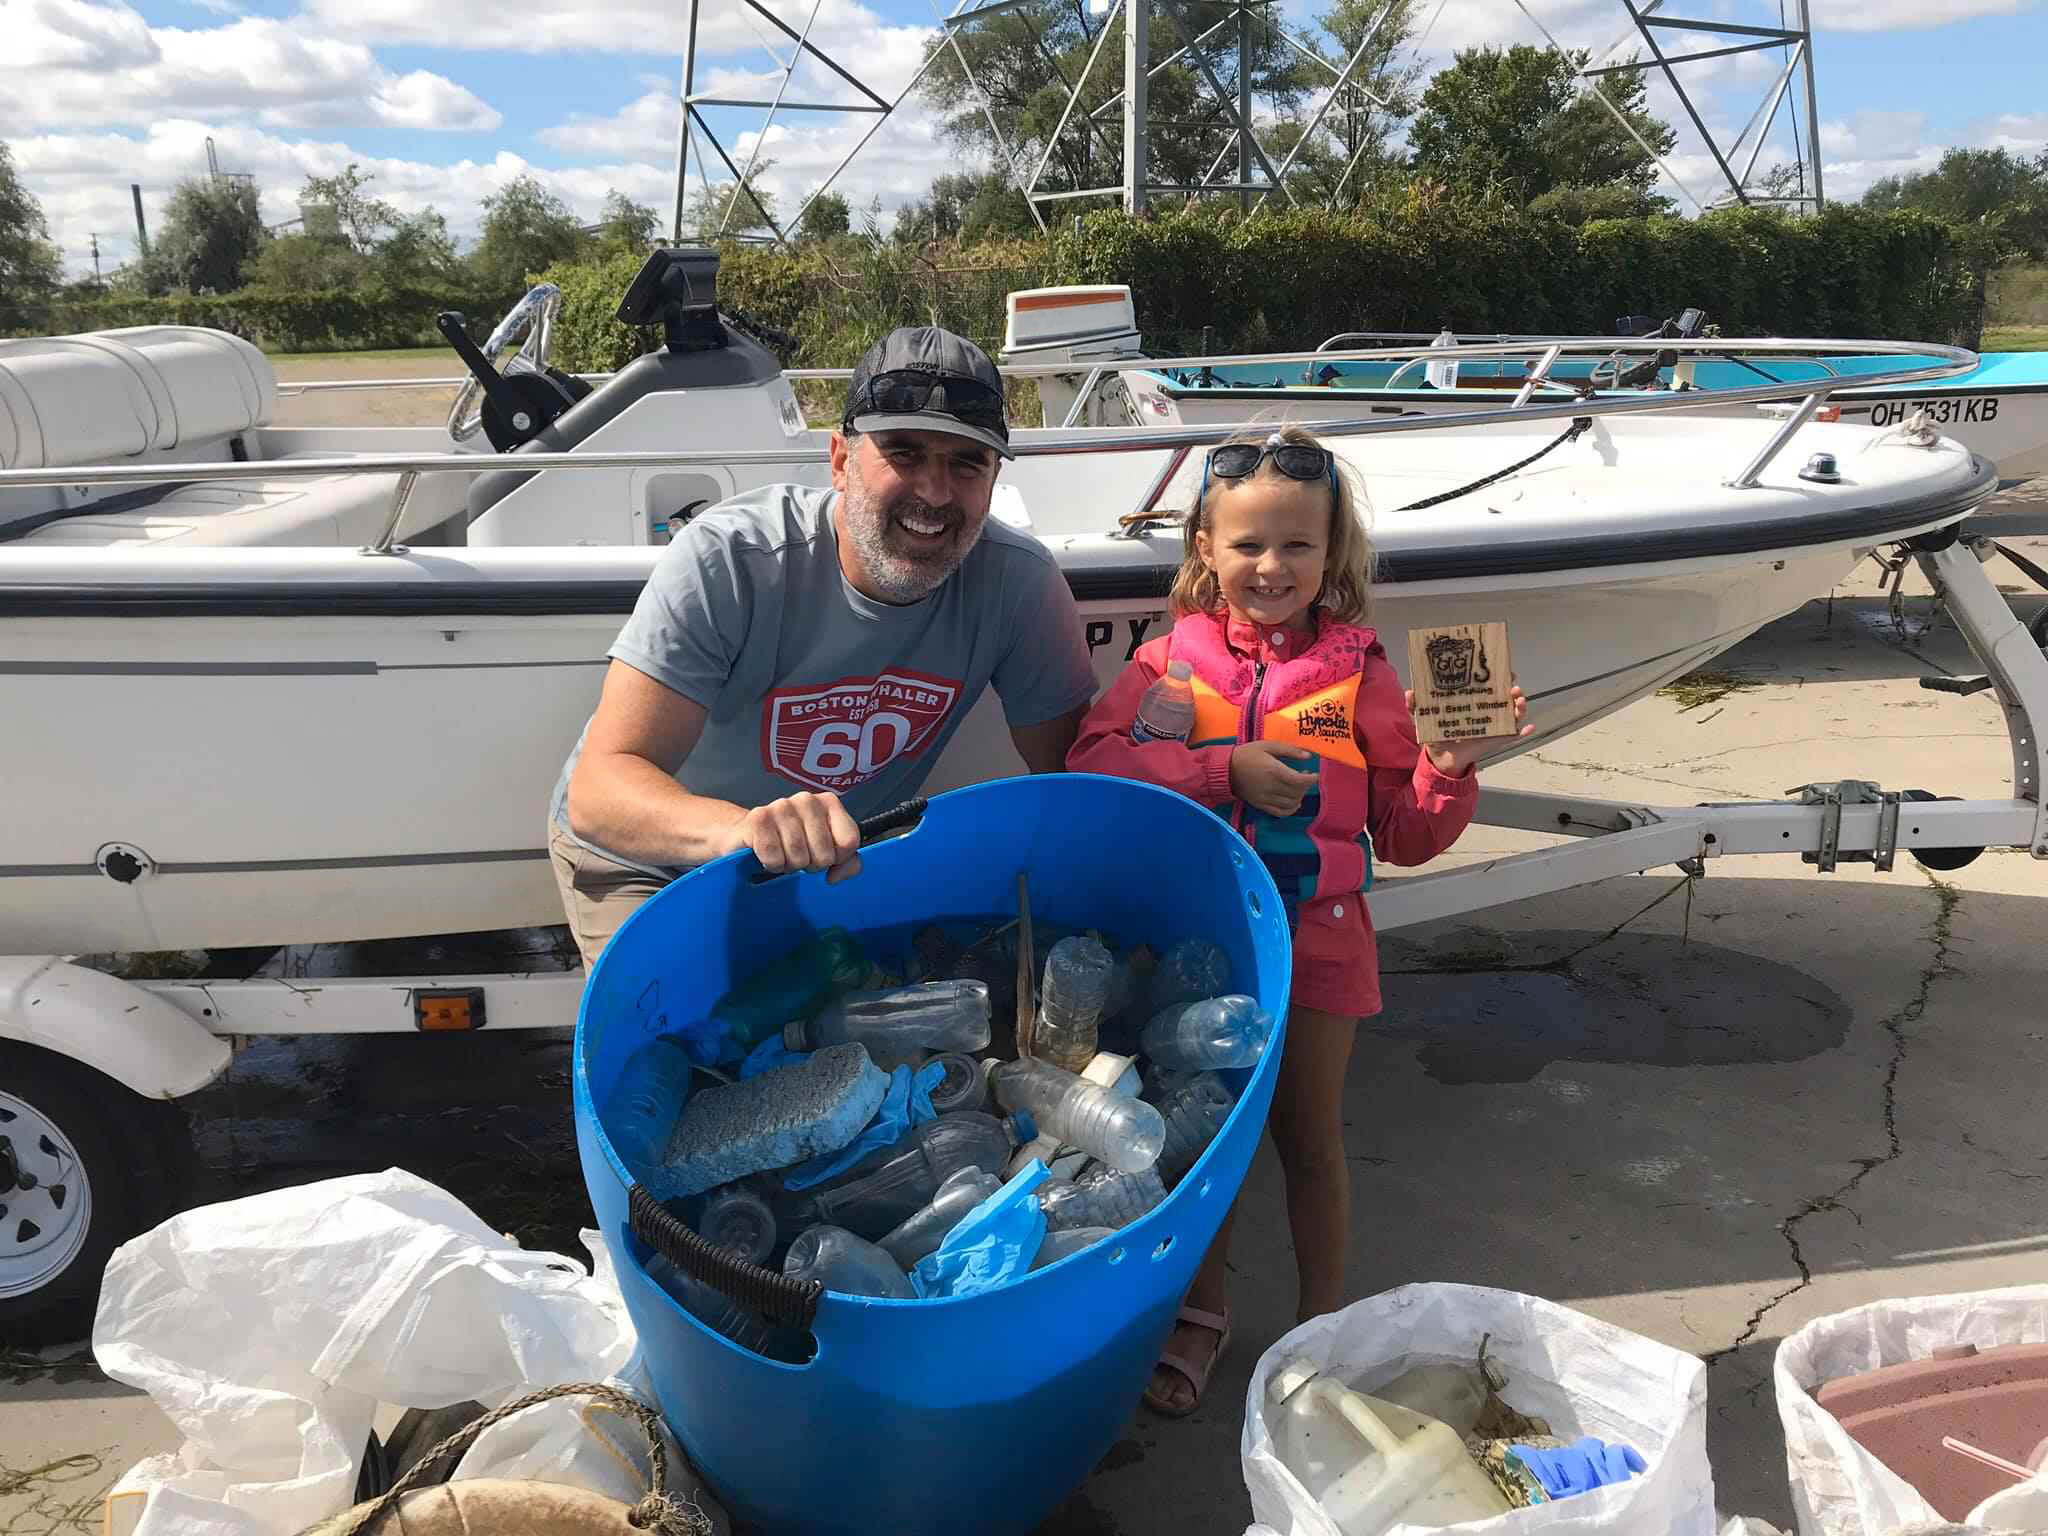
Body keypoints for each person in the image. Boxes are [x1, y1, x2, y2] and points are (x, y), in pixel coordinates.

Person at [1067, 422, 1530, 1417]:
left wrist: (1450, 768)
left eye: (1295, 545)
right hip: (1199, 947)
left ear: (1332, 553)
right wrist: (1214, 767)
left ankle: (1325, 1329)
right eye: (1245, 544)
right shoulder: (1162, 665)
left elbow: (1403, 832)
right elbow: (1089, 769)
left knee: (1308, 1141)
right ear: (1205, 549)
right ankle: (1200, 1314)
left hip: (1317, 944)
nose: (1269, 566)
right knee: (1207, 1140)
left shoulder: (1363, 677)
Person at [548, 325, 1097, 967]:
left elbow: (1073, 776)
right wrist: (740, 830)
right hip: (648, 861)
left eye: (966, 462)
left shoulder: (1018, 582)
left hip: (836, 863)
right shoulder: (731, 559)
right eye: (904, 453)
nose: (935, 492)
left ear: (994, 477)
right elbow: (601, 788)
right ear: (839, 460)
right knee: (675, 1049)